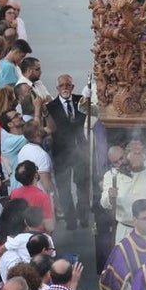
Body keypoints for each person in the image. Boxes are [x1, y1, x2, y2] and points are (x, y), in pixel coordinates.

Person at [45, 74, 89, 231]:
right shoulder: (50, 107)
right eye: (62, 85)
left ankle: (83, 216)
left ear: (72, 87)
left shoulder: (82, 102)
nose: (65, 87)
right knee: (64, 188)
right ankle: (71, 220)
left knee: (83, 186)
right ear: (57, 88)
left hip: (81, 152)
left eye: (68, 85)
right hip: (61, 154)